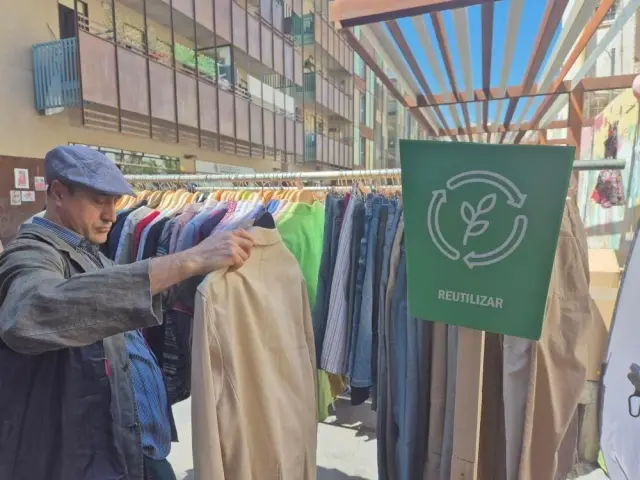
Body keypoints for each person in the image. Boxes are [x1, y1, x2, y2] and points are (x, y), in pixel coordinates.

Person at [0, 145, 254, 480]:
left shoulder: (87, 250)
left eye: (114, 201)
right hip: (89, 459)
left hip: (129, 448)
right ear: (59, 193)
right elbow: (30, 313)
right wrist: (189, 259)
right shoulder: (30, 253)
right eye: (98, 201)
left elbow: (117, 303)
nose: (111, 215)